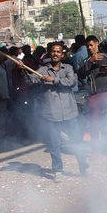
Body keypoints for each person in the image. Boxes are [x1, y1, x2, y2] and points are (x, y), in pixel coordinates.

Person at [27, 42, 89, 181]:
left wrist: (54, 79)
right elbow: (31, 80)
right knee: (54, 144)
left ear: (62, 54)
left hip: (69, 112)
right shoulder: (42, 70)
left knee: (76, 141)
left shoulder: (68, 68)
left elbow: (71, 82)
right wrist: (22, 69)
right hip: (51, 113)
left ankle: (83, 165)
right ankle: (57, 170)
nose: (55, 54)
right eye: (53, 51)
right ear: (50, 53)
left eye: (58, 52)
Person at [77, 35, 107, 157]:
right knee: (94, 124)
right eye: (87, 46)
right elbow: (80, 75)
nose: (90, 48)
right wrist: (90, 61)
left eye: (91, 45)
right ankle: (95, 151)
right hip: (95, 96)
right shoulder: (86, 61)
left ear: (97, 44)